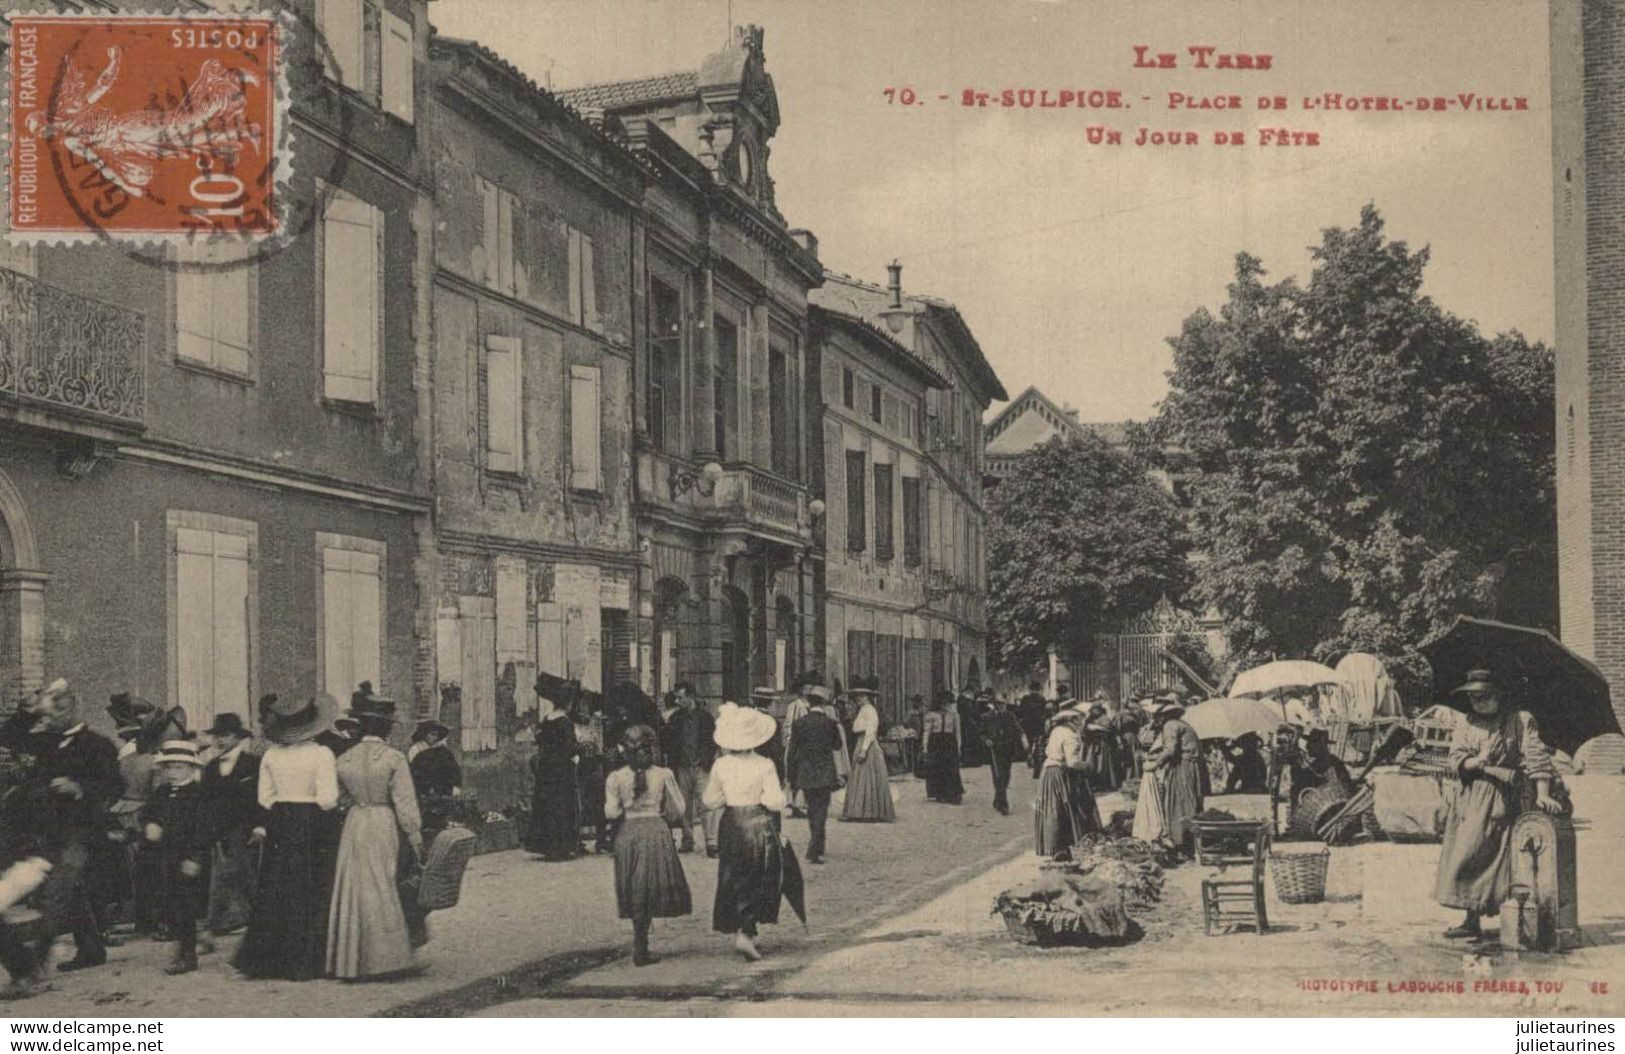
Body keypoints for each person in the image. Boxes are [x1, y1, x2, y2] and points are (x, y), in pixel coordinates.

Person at [1433, 669, 1564, 940]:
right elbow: (1455, 757)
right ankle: (1471, 918)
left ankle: (1517, 918)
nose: (1478, 702)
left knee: (1509, 862)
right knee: (1468, 856)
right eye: (1473, 697)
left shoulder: (1519, 720)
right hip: (1471, 800)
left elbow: (1537, 758)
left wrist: (1542, 793)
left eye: (1484, 696)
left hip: (1507, 797)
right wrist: (1473, 762)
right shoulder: (1467, 722)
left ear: (1500, 695)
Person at [0, 682, 120, 973]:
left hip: (83, 829)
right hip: (47, 830)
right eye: (52, 709)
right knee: (70, 889)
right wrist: (27, 712)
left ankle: (36, 962)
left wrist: (79, 787)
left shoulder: (98, 744)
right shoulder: (46, 742)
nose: (54, 715)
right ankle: (91, 948)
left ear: (76, 708)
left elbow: (115, 786)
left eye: (61, 709)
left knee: (58, 889)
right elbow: (7, 737)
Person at [233, 693, 340, 981]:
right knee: (309, 886)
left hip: (280, 819)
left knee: (276, 885)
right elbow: (328, 799)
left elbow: (264, 798)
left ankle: (266, 961)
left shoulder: (271, 755)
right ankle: (304, 962)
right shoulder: (321, 754)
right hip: (311, 820)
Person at [325, 690, 423, 980]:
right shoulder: (393, 758)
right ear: (386, 728)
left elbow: (335, 800)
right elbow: (405, 803)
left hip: (356, 822)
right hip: (383, 820)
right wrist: (416, 837)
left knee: (354, 886)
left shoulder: (344, 759)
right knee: (382, 884)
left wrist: (354, 799)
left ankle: (351, 960)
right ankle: (386, 960)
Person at [702, 704, 786, 962]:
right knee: (759, 873)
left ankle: (747, 928)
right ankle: (746, 932)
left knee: (733, 873)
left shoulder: (721, 765)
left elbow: (709, 800)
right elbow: (775, 801)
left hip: (731, 823)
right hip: (757, 821)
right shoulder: (765, 764)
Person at [604, 725, 691, 966]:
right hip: (655, 831)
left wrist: (627, 805)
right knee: (651, 886)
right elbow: (680, 808)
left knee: (634, 887)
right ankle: (641, 948)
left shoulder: (616, 777)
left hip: (628, 832)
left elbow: (610, 812)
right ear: (651, 748)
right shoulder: (664, 774)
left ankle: (640, 943)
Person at [139, 739, 216, 975]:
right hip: (164, 857)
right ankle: (191, 941)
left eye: (179, 767)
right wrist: (150, 825)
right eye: (169, 767)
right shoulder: (160, 792)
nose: (173, 772)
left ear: (192, 769)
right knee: (171, 903)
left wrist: (195, 857)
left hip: (189, 857)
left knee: (187, 905)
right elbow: (148, 814)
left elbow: (204, 829)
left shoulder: (200, 795)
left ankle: (187, 955)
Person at [201, 712, 260, 941]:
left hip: (246, 830)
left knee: (248, 878)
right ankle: (213, 927)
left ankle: (257, 925)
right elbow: (205, 802)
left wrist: (260, 827)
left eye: (226, 735)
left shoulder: (253, 764)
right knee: (221, 877)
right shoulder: (211, 767)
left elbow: (261, 799)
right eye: (217, 736)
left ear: (238, 737)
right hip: (220, 831)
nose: (220, 740)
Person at [1034, 704, 1102, 857]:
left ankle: (1055, 847)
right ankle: (1064, 847)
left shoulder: (1057, 731)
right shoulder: (1070, 735)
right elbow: (1072, 763)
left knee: (1053, 809)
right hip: (1060, 773)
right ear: (1072, 719)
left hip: (1049, 772)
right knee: (1066, 809)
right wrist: (1087, 766)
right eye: (1079, 718)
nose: (1081, 721)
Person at [660, 686, 717, 856]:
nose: (677, 701)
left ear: (690, 697)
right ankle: (687, 839)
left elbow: (712, 741)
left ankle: (711, 842)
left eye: (680, 697)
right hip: (682, 767)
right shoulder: (676, 718)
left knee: (706, 804)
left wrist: (705, 759)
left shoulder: (706, 718)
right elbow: (668, 742)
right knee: (684, 805)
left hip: (701, 767)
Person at [525, 686, 580, 862]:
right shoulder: (565, 722)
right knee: (562, 806)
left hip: (546, 769)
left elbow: (539, 740)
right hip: (562, 769)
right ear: (568, 704)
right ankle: (562, 848)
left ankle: (548, 847)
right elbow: (570, 747)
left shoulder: (546, 720)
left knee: (547, 806)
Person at [787, 691, 842, 863]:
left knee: (811, 809)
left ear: (809, 704)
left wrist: (791, 775)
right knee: (822, 808)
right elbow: (837, 746)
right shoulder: (830, 723)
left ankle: (817, 844)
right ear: (824, 704)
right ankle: (815, 847)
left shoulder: (799, 724)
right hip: (825, 772)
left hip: (805, 772)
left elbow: (792, 752)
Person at [1151, 696, 1203, 858]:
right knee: (1188, 802)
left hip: (1183, 767)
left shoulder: (1170, 725)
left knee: (1179, 804)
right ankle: (1190, 844)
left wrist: (1155, 763)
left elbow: (1171, 750)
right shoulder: (1180, 724)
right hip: (1189, 765)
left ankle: (1183, 846)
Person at [841, 678, 895, 822]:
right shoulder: (862, 710)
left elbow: (870, 731)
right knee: (860, 778)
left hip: (868, 745)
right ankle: (860, 810)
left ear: (868, 696)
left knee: (867, 778)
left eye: (862, 695)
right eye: (857, 695)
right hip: (861, 741)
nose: (858, 698)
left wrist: (864, 750)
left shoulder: (870, 710)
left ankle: (869, 812)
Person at [407, 720, 460, 841]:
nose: (434, 737)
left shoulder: (437, 750)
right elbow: (415, 771)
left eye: (436, 735)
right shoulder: (416, 750)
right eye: (431, 734)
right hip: (421, 785)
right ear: (424, 735)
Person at [979, 693, 1026, 815]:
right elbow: (981, 733)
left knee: (1006, 775)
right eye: (998, 704)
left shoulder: (1010, 716)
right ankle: (1004, 804)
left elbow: (1018, 729)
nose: (1001, 706)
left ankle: (998, 798)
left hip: (1008, 749)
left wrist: (1023, 739)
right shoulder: (986, 717)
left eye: (1003, 704)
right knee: (998, 774)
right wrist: (986, 740)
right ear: (994, 705)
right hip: (994, 749)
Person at [780, 673, 819, 818]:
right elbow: (788, 725)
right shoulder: (794, 706)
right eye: (805, 688)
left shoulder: (811, 705)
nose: (808, 691)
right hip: (798, 744)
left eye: (810, 688)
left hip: (809, 744)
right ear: (800, 689)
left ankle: (804, 804)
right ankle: (795, 805)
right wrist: (790, 741)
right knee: (795, 773)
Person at [921, 690, 964, 805]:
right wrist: (924, 746)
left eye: (948, 703)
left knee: (951, 767)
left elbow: (957, 732)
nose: (946, 705)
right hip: (936, 742)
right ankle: (940, 793)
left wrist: (959, 746)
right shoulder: (931, 715)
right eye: (943, 703)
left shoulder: (954, 715)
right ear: (939, 703)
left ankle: (953, 794)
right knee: (938, 767)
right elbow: (927, 731)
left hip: (950, 742)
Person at [1079, 697, 1125, 793]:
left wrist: (1099, 728)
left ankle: (1104, 783)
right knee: (1092, 763)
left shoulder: (1104, 718)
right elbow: (1083, 732)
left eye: (1094, 709)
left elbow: (1111, 730)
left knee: (1103, 764)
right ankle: (1094, 783)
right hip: (1092, 744)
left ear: (1098, 709)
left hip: (1103, 744)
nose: (1092, 711)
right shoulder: (1088, 719)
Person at [1016, 683, 1049, 774]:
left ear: (1030, 689)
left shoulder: (1025, 699)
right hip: (1039, 725)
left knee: (1029, 742)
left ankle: (1030, 758)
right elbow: (1045, 712)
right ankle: (1036, 758)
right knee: (1038, 742)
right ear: (1038, 689)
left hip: (1028, 725)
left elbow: (1019, 711)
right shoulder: (1042, 699)